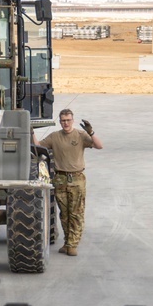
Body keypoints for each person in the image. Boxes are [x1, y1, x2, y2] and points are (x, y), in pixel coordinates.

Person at [32, 109, 103, 256]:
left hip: (77, 178)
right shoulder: (55, 136)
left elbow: (99, 145)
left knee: (76, 213)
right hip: (60, 179)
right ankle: (67, 241)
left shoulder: (80, 135)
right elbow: (38, 147)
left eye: (68, 120)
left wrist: (91, 132)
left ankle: (72, 244)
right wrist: (31, 131)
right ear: (60, 121)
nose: (66, 123)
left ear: (72, 120)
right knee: (64, 214)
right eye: (63, 120)